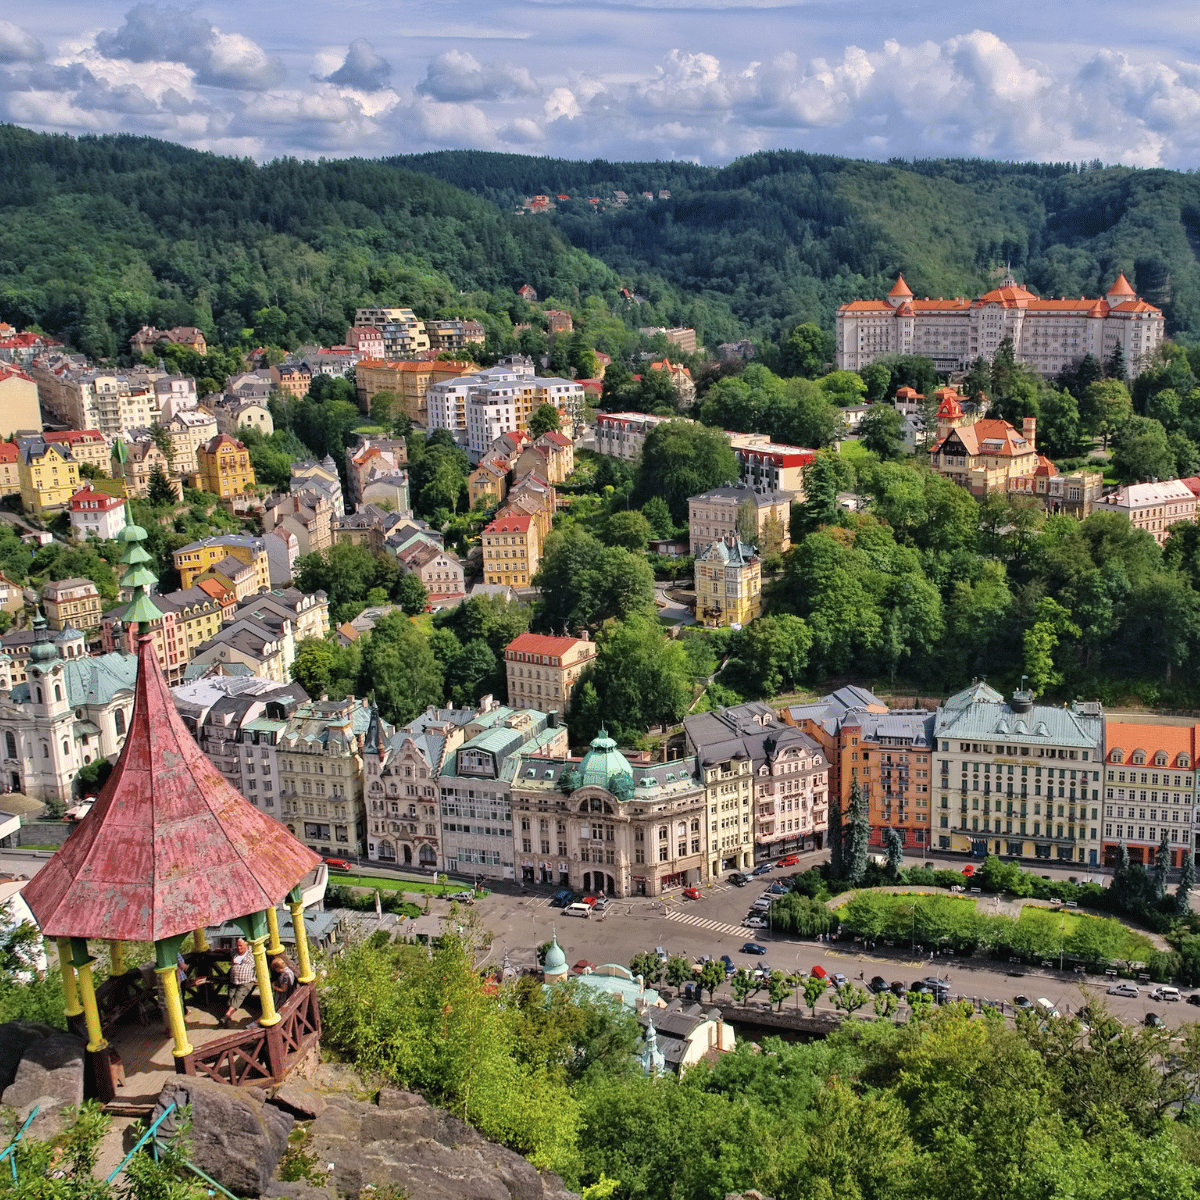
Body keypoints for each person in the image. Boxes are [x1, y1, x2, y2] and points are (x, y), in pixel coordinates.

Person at [224, 937, 256, 1027]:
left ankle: (226, 1016)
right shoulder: (234, 952)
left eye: (241, 946)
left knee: (238, 997)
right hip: (234, 980)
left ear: (246, 945)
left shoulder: (252, 953)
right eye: (237, 945)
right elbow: (227, 952)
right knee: (230, 997)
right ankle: (228, 1018)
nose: (239, 948)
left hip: (247, 980)